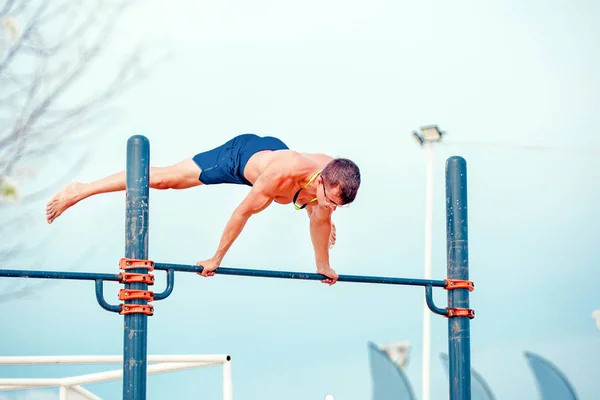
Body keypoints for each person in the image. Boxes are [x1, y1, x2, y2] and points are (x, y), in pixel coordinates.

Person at [45, 133, 361, 285]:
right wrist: (216, 258)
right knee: (166, 180)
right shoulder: (281, 177)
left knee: (320, 216)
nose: (332, 205)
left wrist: (324, 265)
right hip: (240, 158)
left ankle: (315, 210)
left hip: (280, 157)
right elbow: (242, 213)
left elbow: (321, 216)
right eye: (330, 199)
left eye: (337, 204)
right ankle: (81, 190)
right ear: (321, 182)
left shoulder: (333, 174)